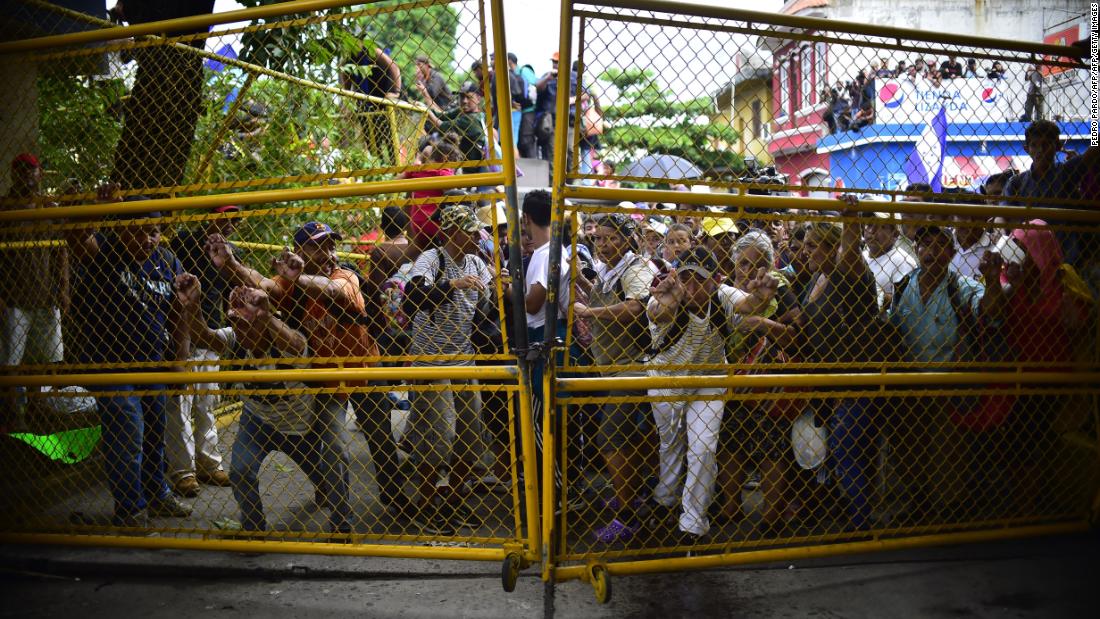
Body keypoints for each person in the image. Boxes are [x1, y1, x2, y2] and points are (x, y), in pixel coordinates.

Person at [208, 221, 395, 522]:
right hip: (327, 378)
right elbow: (262, 285)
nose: (328, 253)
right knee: (334, 446)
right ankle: (341, 520)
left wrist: (300, 277)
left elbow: (334, 291)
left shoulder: (344, 274)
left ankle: (394, 497)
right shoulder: (291, 285)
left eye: (331, 245)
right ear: (299, 252)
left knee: (380, 437)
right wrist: (230, 263)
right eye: (317, 246)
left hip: (364, 368)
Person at [175, 278, 351, 535]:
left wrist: (266, 315)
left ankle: (341, 523)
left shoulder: (289, 340)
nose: (241, 330)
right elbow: (205, 336)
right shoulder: (236, 339)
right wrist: (192, 305)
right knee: (241, 470)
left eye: (248, 323)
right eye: (235, 322)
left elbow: (296, 344)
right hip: (257, 421)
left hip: (300, 427)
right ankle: (254, 528)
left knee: (327, 471)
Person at [66, 189, 192, 527]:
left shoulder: (167, 260)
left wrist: (179, 362)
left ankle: (157, 493)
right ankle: (131, 507)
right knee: (128, 427)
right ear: (121, 229)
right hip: (109, 361)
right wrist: (98, 207)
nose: (147, 239)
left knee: (155, 431)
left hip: (151, 361)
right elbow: (75, 236)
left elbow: (179, 314)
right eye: (138, 231)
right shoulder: (105, 248)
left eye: (153, 232)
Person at [646, 247, 777, 542]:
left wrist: (761, 296)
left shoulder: (722, 296)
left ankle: (692, 522)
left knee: (703, 448)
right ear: (676, 278)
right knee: (671, 444)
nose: (692, 288)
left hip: (709, 380)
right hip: (667, 381)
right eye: (686, 279)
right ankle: (665, 499)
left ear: (714, 281)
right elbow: (660, 313)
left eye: (700, 280)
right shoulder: (663, 296)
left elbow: (746, 305)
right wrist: (670, 300)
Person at [885, 224, 996, 523]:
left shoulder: (961, 287)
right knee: (909, 449)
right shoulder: (903, 285)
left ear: (951, 252)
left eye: (940, 245)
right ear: (917, 249)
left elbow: (988, 309)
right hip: (909, 386)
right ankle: (920, 505)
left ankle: (948, 513)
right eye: (925, 244)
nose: (932, 251)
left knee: (946, 453)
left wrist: (995, 282)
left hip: (948, 384)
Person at [400, 204, 493, 534]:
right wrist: (453, 285)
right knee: (439, 437)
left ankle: (453, 501)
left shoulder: (479, 264)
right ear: (454, 232)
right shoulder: (432, 259)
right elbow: (412, 296)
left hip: (464, 358)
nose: (478, 237)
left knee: (470, 437)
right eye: (471, 231)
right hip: (430, 360)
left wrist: (503, 286)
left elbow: (489, 307)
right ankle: (426, 508)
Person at [571, 214, 658, 544]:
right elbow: (607, 296)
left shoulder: (635, 268)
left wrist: (588, 313)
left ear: (628, 239)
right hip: (612, 365)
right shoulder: (609, 269)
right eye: (598, 238)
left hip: (632, 365)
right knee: (628, 438)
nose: (603, 244)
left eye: (611, 238)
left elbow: (635, 307)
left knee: (610, 438)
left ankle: (627, 516)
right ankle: (634, 494)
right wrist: (583, 282)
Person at [163, 205, 239, 497]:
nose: (233, 223)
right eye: (227, 217)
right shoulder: (184, 241)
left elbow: (230, 293)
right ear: (211, 217)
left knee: (206, 402)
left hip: (209, 330)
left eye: (236, 219)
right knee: (180, 404)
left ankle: (209, 463)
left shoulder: (229, 251)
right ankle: (183, 471)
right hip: (181, 330)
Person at [1, 154, 68, 432]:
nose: (28, 174)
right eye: (22, 170)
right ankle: (13, 413)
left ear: (41, 173)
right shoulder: (5, 208)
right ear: (14, 174)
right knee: (11, 360)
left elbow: (60, 250)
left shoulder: (48, 207)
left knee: (42, 357)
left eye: (33, 169)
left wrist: (63, 288)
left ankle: (38, 407)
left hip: (44, 295)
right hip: (13, 295)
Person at [1002, 120, 1100, 264]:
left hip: (1066, 260)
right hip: (1029, 261)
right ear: (1026, 148)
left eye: (1046, 144)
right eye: (1034, 145)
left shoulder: (1066, 172)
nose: (1040, 150)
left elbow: (1093, 152)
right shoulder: (1016, 182)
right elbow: (1003, 214)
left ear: (1058, 147)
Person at [342, 44, 402, 165]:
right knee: (371, 137)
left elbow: (394, 68)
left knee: (389, 135)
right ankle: (378, 165)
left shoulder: (373, 51)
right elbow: (346, 79)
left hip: (384, 92)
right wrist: (347, 102)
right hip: (364, 97)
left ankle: (395, 165)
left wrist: (395, 93)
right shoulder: (348, 58)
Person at [426, 84, 488, 174]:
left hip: (470, 168)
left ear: (478, 99)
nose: (464, 101)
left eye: (469, 97)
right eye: (462, 97)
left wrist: (426, 111)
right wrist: (425, 94)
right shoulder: (466, 111)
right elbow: (442, 116)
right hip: (468, 162)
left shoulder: (470, 119)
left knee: (429, 150)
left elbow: (442, 126)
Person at [862, 212, 917, 310]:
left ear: (895, 234)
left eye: (882, 226)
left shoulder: (903, 261)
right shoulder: (863, 255)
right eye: (869, 225)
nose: (872, 231)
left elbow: (904, 303)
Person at [951, 214, 997, 280]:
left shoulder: (995, 248)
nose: (970, 221)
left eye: (976, 216)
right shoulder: (942, 239)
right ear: (952, 217)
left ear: (985, 219)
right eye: (963, 215)